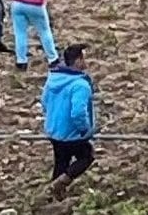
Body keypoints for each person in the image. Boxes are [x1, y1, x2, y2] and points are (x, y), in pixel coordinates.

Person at [42, 44, 96, 200]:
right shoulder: (81, 85)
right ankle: (61, 183)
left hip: (53, 131)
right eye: (84, 57)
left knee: (61, 161)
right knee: (87, 156)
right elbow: (78, 112)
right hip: (72, 133)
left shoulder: (53, 78)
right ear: (78, 61)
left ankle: (55, 196)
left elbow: (44, 102)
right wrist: (84, 129)